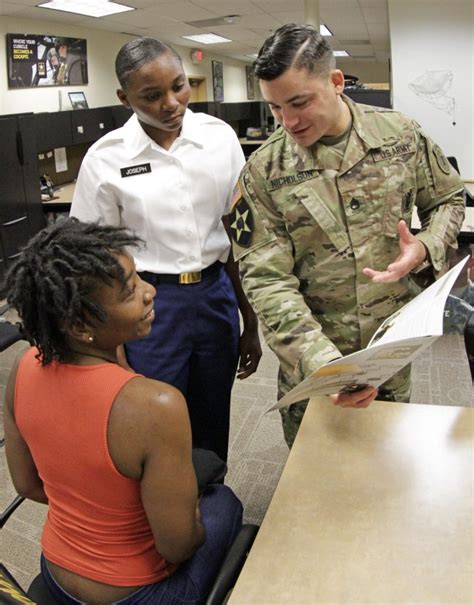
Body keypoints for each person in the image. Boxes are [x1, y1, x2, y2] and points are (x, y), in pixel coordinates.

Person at [229, 24, 465, 447]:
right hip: (313, 363)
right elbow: (266, 281)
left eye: (299, 102)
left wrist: (425, 247)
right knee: (317, 482)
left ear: (336, 82)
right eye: (275, 108)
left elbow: (449, 198)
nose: (288, 121)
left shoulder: (401, 137)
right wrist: (327, 368)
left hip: (390, 351)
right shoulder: (264, 172)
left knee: (393, 464)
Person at [3, 218, 243, 605]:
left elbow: (28, 485)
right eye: (130, 290)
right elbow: (178, 546)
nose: (150, 291)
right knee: (225, 502)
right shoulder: (155, 405)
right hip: (138, 594)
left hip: (56, 570)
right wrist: (191, 514)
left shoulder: (24, 366)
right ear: (82, 327)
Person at [70, 38, 261, 462]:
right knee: (155, 417)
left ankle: (211, 505)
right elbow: (94, 258)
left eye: (178, 87)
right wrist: (111, 346)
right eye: (151, 96)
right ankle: (164, 514)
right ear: (124, 98)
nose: (171, 103)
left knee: (212, 414)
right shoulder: (106, 159)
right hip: (150, 304)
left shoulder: (219, 138)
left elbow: (236, 234)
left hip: (216, 293)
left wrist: (249, 319)